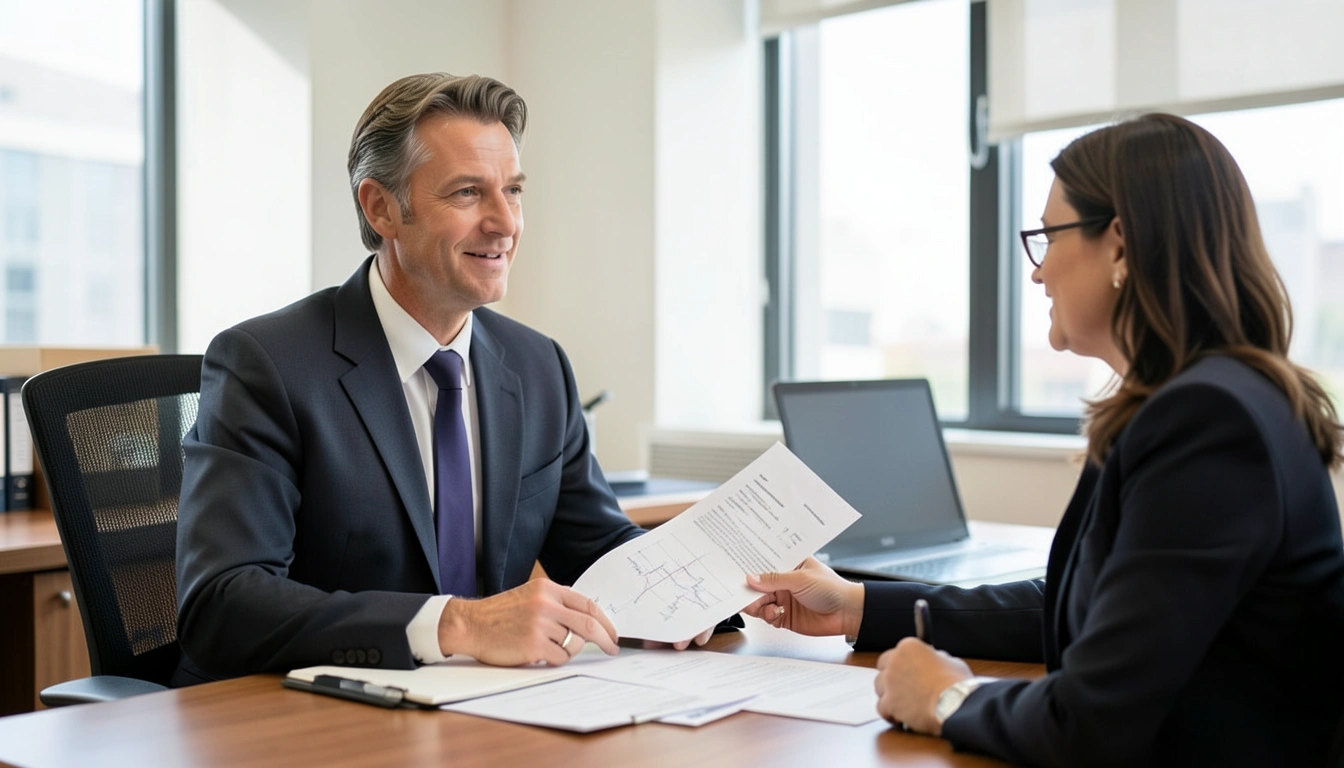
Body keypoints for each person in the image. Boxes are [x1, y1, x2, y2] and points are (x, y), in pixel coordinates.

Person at [744, 113, 1344, 766]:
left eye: (1048, 237)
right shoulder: (1197, 402)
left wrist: (948, 698)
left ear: (1120, 245)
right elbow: (1083, 609)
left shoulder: (1206, 422)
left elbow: (1092, 722)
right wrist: (858, 606)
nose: (1037, 273)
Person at [175, 73, 711, 683]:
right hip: (314, 711)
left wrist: (724, 585)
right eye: (467, 193)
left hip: (487, 709)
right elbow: (223, 603)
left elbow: (596, 549)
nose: (505, 223)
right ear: (380, 208)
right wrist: (457, 624)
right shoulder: (267, 365)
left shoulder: (538, 367)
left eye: (513, 191)